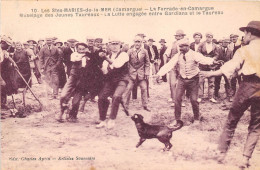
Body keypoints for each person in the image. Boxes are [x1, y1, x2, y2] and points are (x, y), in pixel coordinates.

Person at [200, 21, 260, 169]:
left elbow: (229, 67)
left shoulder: (244, 50)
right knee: (256, 125)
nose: (244, 36)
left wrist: (210, 73)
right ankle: (245, 159)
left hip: (247, 86)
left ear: (250, 33)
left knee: (232, 120)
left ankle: (221, 153)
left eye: (245, 33)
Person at [155, 38, 222, 125]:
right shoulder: (178, 55)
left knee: (194, 100)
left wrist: (213, 61)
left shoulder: (195, 54)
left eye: (182, 47)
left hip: (193, 80)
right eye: (179, 47)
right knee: (177, 99)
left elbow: (204, 60)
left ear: (188, 46)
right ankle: (177, 119)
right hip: (182, 79)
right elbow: (169, 64)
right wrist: (159, 74)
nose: (180, 49)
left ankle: (197, 118)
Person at [96, 38, 129, 129]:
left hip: (122, 80)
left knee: (116, 96)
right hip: (110, 80)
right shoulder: (108, 55)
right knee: (101, 97)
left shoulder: (124, 54)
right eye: (112, 44)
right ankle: (102, 120)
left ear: (120, 45)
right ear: (109, 46)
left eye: (116, 44)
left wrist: (105, 58)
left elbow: (117, 65)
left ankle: (112, 119)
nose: (114, 46)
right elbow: (105, 70)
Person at [58, 42, 90, 122]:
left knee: (76, 101)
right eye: (80, 49)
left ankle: (73, 115)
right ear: (77, 49)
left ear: (86, 49)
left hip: (82, 80)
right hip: (73, 78)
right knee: (63, 95)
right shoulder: (74, 54)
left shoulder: (89, 56)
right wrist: (84, 55)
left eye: (83, 49)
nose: (81, 50)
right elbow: (74, 59)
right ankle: (62, 112)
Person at [123, 35, 150, 113]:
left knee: (144, 88)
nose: (137, 43)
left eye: (139, 42)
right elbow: (126, 62)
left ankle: (145, 106)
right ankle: (125, 106)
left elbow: (147, 63)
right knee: (128, 88)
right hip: (131, 74)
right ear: (133, 42)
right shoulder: (130, 51)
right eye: (136, 42)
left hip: (141, 74)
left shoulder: (145, 51)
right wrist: (127, 73)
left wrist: (147, 72)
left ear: (141, 42)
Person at [164, 30, 186, 107]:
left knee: (182, 83)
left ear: (183, 36)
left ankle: (182, 100)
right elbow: (166, 54)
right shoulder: (172, 44)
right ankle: (174, 100)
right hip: (173, 66)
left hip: (182, 66)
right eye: (177, 36)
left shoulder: (186, 44)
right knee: (172, 83)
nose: (178, 38)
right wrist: (166, 64)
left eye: (180, 36)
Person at [197, 32, 219, 103]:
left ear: (212, 38)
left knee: (211, 82)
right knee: (200, 81)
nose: (208, 38)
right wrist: (204, 59)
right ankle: (200, 96)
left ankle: (211, 97)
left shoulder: (215, 46)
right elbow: (198, 53)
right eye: (207, 36)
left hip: (211, 66)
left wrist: (212, 60)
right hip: (202, 65)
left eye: (210, 37)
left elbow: (217, 55)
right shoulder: (201, 44)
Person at [0, 35, 18, 110]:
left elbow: (7, 56)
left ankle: (3, 103)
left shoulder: (3, 50)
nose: (8, 47)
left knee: (4, 86)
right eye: (7, 45)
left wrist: (14, 62)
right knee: (2, 84)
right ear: (3, 43)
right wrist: (1, 80)